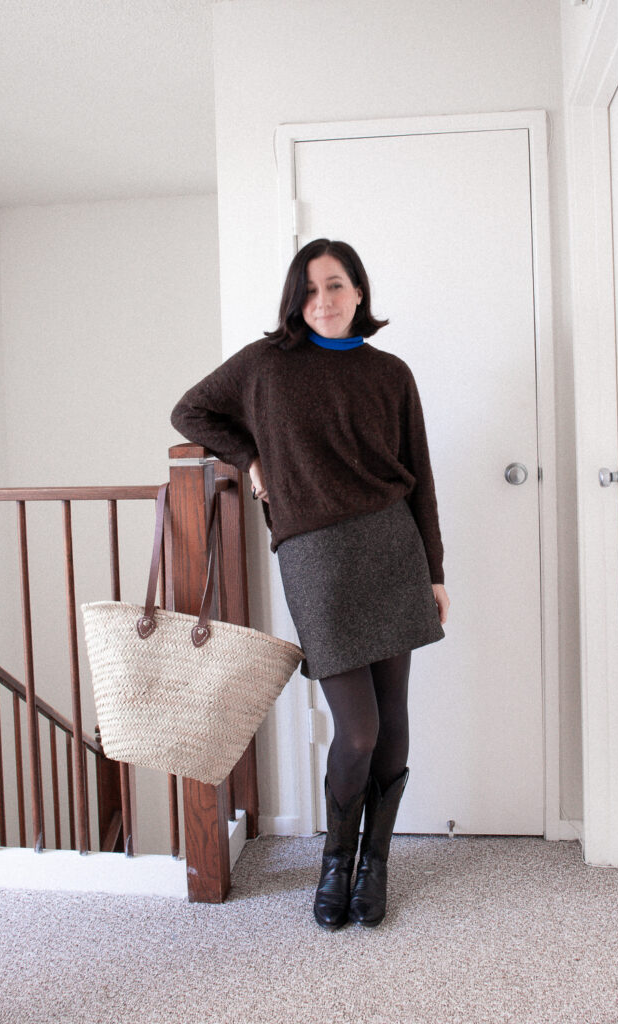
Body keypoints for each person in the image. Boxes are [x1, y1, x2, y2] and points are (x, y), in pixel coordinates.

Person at [170, 238, 449, 930]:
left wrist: (434, 572)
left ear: (359, 292)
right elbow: (191, 413)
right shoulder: (266, 364)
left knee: (392, 725)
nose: (321, 302)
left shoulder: (390, 373)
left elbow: (420, 475)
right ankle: (335, 861)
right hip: (315, 553)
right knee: (356, 731)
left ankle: (372, 866)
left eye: (334, 286)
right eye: (308, 290)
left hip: (392, 546)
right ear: (296, 300)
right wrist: (250, 455)